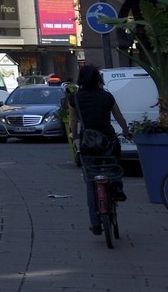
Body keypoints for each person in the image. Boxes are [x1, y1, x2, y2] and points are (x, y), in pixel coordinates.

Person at [68, 65, 131, 235]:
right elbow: (119, 117)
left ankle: (95, 223)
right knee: (113, 167)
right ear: (98, 79)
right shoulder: (107, 97)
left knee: (91, 182)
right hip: (108, 140)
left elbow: (73, 121)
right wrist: (126, 132)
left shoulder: (75, 98)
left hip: (88, 143)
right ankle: (117, 188)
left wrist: (75, 139)